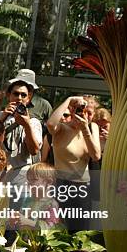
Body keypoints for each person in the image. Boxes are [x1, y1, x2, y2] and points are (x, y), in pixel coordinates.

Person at [46, 96, 101, 230]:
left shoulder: (92, 128)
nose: (85, 115)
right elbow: (50, 125)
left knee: (80, 230)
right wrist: (69, 100)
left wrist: (84, 129)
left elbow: (96, 155)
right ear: (72, 111)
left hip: (82, 188)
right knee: (58, 228)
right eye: (81, 110)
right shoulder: (62, 128)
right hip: (61, 185)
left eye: (89, 113)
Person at [0, 70, 42, 182]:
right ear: (8, 95)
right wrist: (3, 118)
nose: (19, 98)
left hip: (21, 177)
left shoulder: (34, 122)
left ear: (29, 97)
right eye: (16, 94)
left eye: (23, 95)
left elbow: (34, 150)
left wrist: (27, 125)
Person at [14, 162, 62, 230]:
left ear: (49, 182)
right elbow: (21, 221)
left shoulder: (51, 205)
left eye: (34, 180)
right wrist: (15, 221)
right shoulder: (28, 200)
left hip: (40, 240)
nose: (29, 183)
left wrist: (29, 223)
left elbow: (51, 228)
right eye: (28, 180)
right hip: (25, 239)